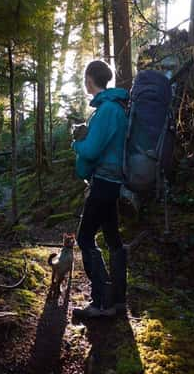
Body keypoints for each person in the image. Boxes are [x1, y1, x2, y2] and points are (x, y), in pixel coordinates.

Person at [71, 60, 129, 318]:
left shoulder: (107, 110)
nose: (85, 82)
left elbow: (92, 150)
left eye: (86, 78)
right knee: (113, 238)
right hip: (112, 181)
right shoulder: (114, 107)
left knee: (84, 238)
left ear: (90, 79)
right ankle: (117, 301)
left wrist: (76, 145)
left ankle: (101, 303)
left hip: (104, 182)